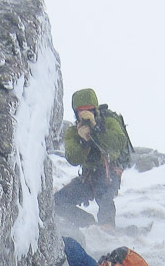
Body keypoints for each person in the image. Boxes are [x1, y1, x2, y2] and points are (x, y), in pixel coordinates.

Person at [55, 87, 133, 228]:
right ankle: (88, 224)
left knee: (104, 197)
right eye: (81, 111)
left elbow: (119, 142)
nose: (85, 115)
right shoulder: (74, 132)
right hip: (89, 176)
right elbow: (73, 158)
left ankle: (107, 230)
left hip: (109, 172)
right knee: (57, 202)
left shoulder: (109, 122)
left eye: (89, 110)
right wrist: (83, 142)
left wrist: (97, 131)